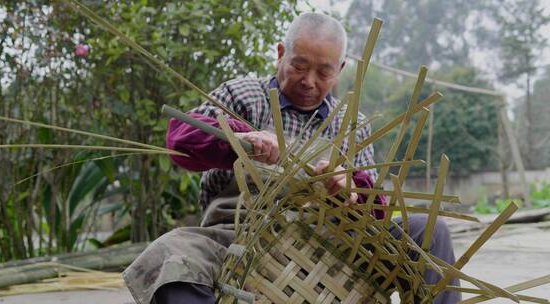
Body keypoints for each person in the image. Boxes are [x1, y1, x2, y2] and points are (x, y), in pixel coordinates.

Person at [123, 13, 461, 304]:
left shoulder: (351, 125)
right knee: (172, 254)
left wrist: (350, 188)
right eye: (299, 65)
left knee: (428, 232)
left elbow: (376, 207)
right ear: (281, 54)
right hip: (237, 236)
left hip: (330, 241)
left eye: (323, 72)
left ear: (339, 69)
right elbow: (180, 137)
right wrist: (238, 140)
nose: (308, 81)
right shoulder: (243, 95)